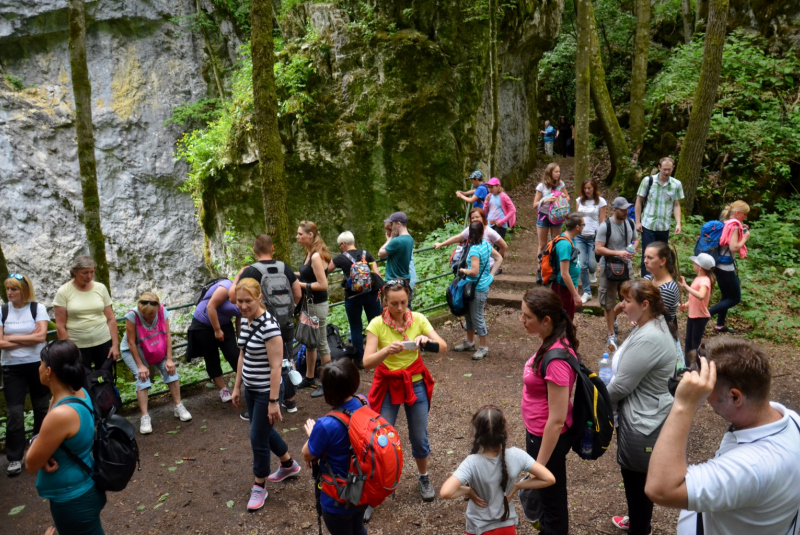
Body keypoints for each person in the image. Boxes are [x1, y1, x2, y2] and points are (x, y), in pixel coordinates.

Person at [647, 338, 800, 535]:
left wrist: (683, 405)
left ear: (735, 396)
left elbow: (660, 489)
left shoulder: (751, 466)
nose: (705, 396)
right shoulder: (793, 421)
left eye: (708, 389)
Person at [363, 280, 448, 502]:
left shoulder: (418, 319)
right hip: (389, 385)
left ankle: (423, 477)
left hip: (415, 383)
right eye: (394, 303)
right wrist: (386, 352)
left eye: (403, 302)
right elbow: (367, 363)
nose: (400, 308)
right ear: (385, 302)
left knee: (419, 436)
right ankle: (377, 485)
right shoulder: (376, 324)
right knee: (381, 437)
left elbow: (443, 347)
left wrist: (426, 341)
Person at [606, 279, 676, 535]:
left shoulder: (650, 337)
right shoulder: (647, 325)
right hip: (643, 415)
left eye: (627, 301)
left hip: (643, 422)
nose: (622, 306)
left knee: (636, 481)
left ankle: (639, 527)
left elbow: (621, 387)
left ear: (645, 305)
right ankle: (638, 521)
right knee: (637, 481)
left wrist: (592, 399)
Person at [231, 278, 301, 512]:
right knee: (263, 430)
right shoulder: (245, 320)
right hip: (251, 388)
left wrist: (273, 402)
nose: (242, 306)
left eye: (247, 301)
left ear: (259, 298)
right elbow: (242, 355)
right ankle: (289, 465)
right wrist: (236, 387)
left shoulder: (270, 327)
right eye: (239, 301)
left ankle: (259, 484)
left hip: (266, 391)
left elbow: (275, 367)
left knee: (257, 437)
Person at [26, 340, 106, 535]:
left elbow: (30, 464)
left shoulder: (61, 414)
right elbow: (53, 438)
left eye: (40, 363)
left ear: (48, 371)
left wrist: (39, 452)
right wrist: (43, 451)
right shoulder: (77, 393)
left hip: (73, 499)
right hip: (85, 485)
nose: (39, 367)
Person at [518, 287, 579, 534]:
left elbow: (556, 419)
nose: (522, 320)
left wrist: (538, 468)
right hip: (539, 433)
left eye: (527, 316)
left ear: (546, 321)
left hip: (547, 438)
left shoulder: (555, 360)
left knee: (551, 502)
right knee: (547, 499)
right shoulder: (550, 342)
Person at [440, 406, 556, 535]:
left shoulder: (471, 462)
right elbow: (549, 479)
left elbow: (445, 492)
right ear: (504, 431)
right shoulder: (517, 455)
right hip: (506, 525)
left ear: (477, 434)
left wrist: (468, 490)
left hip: (478, 527)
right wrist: (518, 486)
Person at [230, 234, 302, 413]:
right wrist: (288, 310)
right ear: (272, 249)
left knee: (264, 362)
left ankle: (263, 403)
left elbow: (233, 297)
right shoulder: (284, 267)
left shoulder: (251, 272)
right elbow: (298, 293)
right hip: (285, 322)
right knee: (287, 359)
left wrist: (238, 275)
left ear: (254, 250)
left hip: (262, 325)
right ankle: (291, 401)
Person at [302, 358, 369, 534]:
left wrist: (312, 435)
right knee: (358, 526)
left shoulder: (326, 425)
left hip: (337, 498)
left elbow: (307, 454)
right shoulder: (363, 402)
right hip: (361, 487)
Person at [119, 292, 192, 435]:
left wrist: (169, 359)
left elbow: (167, 334)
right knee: (143, 377)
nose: (149, 318)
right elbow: (131, 343)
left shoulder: (162, 311)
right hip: (135, 349)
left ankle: (178, 406)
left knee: (170, 370)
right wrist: (140, 365)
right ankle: (144, 416)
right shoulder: (132, 316)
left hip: (154, 345)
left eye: (152, 315)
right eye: (146, 316)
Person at [1, 273, 49, 476]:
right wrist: (29, 337)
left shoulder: (37, 308)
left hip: (36, 364)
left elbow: (42, 337)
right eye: (7, 289)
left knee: (41, 407)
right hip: (12, 367)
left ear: (24, 290)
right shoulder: (2, 310)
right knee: (14, 413)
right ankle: (14, 457)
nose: (9, 292)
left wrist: (11, 337)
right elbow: (0, 343)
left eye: (14, 289)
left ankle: (38, 448)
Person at [53, 256, 119, 370]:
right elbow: (60, 326)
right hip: (77, 346)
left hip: (103, 342)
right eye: (85, 273)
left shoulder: (100, 288)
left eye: (92, 272)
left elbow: (110, 318)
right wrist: (69, 351)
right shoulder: (63, 292)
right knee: (81, 381)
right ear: (75, 272)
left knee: (105, 379)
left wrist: (115, 345)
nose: (89, 276)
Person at [328, 231, 382, 368]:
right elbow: (377, 274)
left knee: (356, 328)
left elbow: (325, 270)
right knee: (375, 324)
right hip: (371, 294)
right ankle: (379, 355)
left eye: (340, 245)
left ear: (343, 244)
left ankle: (361, 360)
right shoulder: (366, 254)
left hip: (352, 297)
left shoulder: (341, 258)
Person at [453, 221, 503, 360]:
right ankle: (469, 342)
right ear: (482, 233)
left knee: (477, 317)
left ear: (470, 234)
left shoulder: (475, 250)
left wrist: (463, 270)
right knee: (469, 315)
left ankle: (483, 347)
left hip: (477, 288)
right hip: (475, 287)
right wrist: (491, 275)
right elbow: (499, 258)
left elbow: (474, 272)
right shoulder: (486, 245)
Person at [186, 278, 241, 403]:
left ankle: (247, 383)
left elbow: (239, 317)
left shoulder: (246, 293)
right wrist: (217, 330)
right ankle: (223, 389)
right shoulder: (226, 287)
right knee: (211, 356)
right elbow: (211, 306)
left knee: (234, 354)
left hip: (225, 324)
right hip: (203, 324)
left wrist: (240, 339)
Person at [595, 197, 638, 352]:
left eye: (627, 209)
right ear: (614, 210)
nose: (626, 212)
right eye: (623, 209)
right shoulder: (605, 226)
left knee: (632, 297)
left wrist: (632, 250)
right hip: (608, 267)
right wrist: (618, 253)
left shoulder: (630, 223)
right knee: (608, 302)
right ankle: (611, 333)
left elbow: (635, 240)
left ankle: (633, 325)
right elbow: (598, 249)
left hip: (627, 267)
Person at [295, 221, 332, 399]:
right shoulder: (309, 253)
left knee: (321, 343)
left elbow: (323, 284)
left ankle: (327, 382)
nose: (297, 237)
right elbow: (306, 274)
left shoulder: (317, 256)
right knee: (310, 343)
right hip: (309, 305)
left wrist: (299, 285)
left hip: (317, 306)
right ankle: (309, 377)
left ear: (310, 235)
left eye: (300, 234)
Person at [634, 157, 685, 277]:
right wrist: (637, 222)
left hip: (664, 226)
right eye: (664, 169)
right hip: (648, 224)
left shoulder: (676, 184)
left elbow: (676, 204)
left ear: (673, 168)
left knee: (661, 255)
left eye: (669, 170)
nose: (667, 172)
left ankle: (658, 280)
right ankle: (645, 283)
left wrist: (678, 223)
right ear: (659, 168)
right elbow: (639, 201)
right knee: (647, 256)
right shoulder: (648, 181)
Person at [708, 200, 751, 334]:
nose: (745, 217)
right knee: (734, 298)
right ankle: (704, 316)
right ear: (738, 213)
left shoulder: (725, 222)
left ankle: (720, 325)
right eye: (744, 214)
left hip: (717, 264)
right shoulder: (734, 226)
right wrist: (745, 238)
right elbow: (733, 247)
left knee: (726, 296)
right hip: (726, 267)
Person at [433, 208, 509, 262]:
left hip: (486, 265)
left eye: (477, 217)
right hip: (473, 262)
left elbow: (504, 246)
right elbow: (457, 238)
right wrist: (441, 244)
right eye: (472, 218)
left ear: (482, 218)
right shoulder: (470, 229)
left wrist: (496, 259)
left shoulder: (489, 231)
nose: (475, 219)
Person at [574, 178, 607, 303]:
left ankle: (592, 272)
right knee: (582, 265)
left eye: (589, 188)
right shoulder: (579, 201)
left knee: (592, 265)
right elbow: (577, 217)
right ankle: (587, 292)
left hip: (594, 237)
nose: (587, 190)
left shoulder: (601, 201)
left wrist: (601, 236)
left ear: (594, 188)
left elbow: (602, 220)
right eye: (585, 188)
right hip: (580, 236)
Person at [679, 254, 715, 358]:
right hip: (693, 315)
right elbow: (694, 297)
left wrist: (685, 286)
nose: (693, 264)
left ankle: (695, 366)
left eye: (695, 263)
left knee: (695, 343)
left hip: (700, 317)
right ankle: (688, 365)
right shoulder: (699, 278)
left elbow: (700, 295)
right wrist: (686, 305)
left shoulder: (705, 280)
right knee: (688, 341)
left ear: (701, 267)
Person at [534, 163, 569, 264]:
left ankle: (555, 268)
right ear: (550, 173)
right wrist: (546, 200)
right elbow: (535, 204)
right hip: (543, 216)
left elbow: (568, 198)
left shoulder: (561, 185)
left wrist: (563, 196)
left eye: (559, 172)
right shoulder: (541, 186)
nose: (558, 174)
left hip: (557, 216)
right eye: (556, 172)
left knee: (556, 242)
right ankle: (540, 269)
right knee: (542, 244)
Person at [550, 213, 583, 319]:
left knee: (567, 318)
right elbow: (564, 274)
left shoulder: (570, 240)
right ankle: (564, 336)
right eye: (583, 225)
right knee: (565, 319)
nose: (584, 227)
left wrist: (575, 285)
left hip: (568, 286)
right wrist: (575, 295)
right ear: (577, 227)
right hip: (563, 288)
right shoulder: (565, 244)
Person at [643, 241, 681, 328]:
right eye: (645, 257)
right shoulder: (648, 279)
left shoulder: (668, 289)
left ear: (663, 261)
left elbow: (654, 318)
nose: (645, 261)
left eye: (650, 258)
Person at [379, 211, 415, 299]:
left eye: (392, 224)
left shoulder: (397, 241)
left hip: (394, 281)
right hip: (405, 279)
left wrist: (390, 239)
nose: (391, 226)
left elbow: (380, 253)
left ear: (398, 224)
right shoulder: (410, 238)